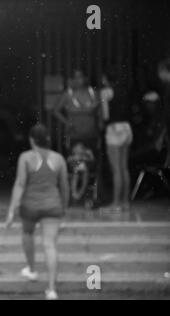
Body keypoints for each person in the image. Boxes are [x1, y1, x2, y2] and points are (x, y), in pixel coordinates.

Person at [6, 124, 69, 300]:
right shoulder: (58, 159)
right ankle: (51, 290)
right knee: (50, 245)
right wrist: (64, 209)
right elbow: (64, 187)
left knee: (27, 233)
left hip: (30, 206)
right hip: (53, 206)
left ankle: (32, 270)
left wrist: (12, 210)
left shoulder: (25, 157)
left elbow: (20, 184)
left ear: (32, 140)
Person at [99, 70, 134, 213]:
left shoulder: (105, 92)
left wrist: (101, 121)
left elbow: (106, 114)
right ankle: (125, 202)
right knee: (124, 168)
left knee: (116, 169)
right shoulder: (123, 90)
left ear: (105, 79)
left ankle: (115, 203)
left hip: (114, 129)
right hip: (127, 128)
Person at [54, 69, 101, 153]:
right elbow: (56, 111)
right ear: (72, 79)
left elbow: (99, 110)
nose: (78, 79)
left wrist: (99, 123)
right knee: (75, 162)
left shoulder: (93, 93)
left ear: (85, 78)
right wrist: (67, 122)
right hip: (74, 135)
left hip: (91, 134)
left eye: (80, 76)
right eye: (75, 77)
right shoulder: (68, 94)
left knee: (91, 161)